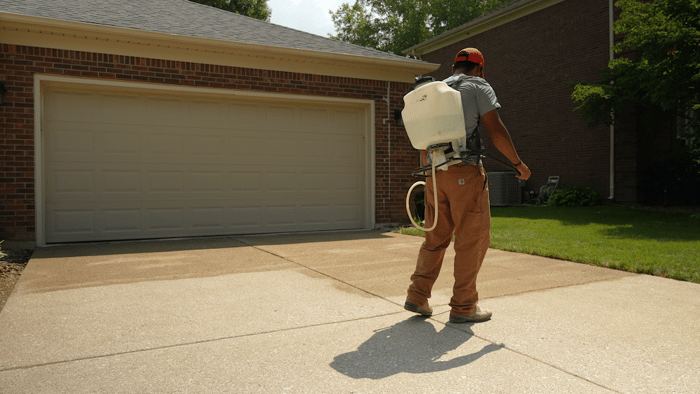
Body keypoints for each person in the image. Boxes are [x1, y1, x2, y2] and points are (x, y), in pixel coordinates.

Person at [404, 47, 531, 323]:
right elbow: (495, 131)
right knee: (470, 240)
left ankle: (417, 295)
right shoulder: (478, 86)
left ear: (453, 68)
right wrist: (518, 164)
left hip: (434, 173)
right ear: (480, 68)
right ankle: (463, 307)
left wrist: (429, 175)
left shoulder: (434, 90)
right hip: (465, 172)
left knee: (434, 239)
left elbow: (424, 137)